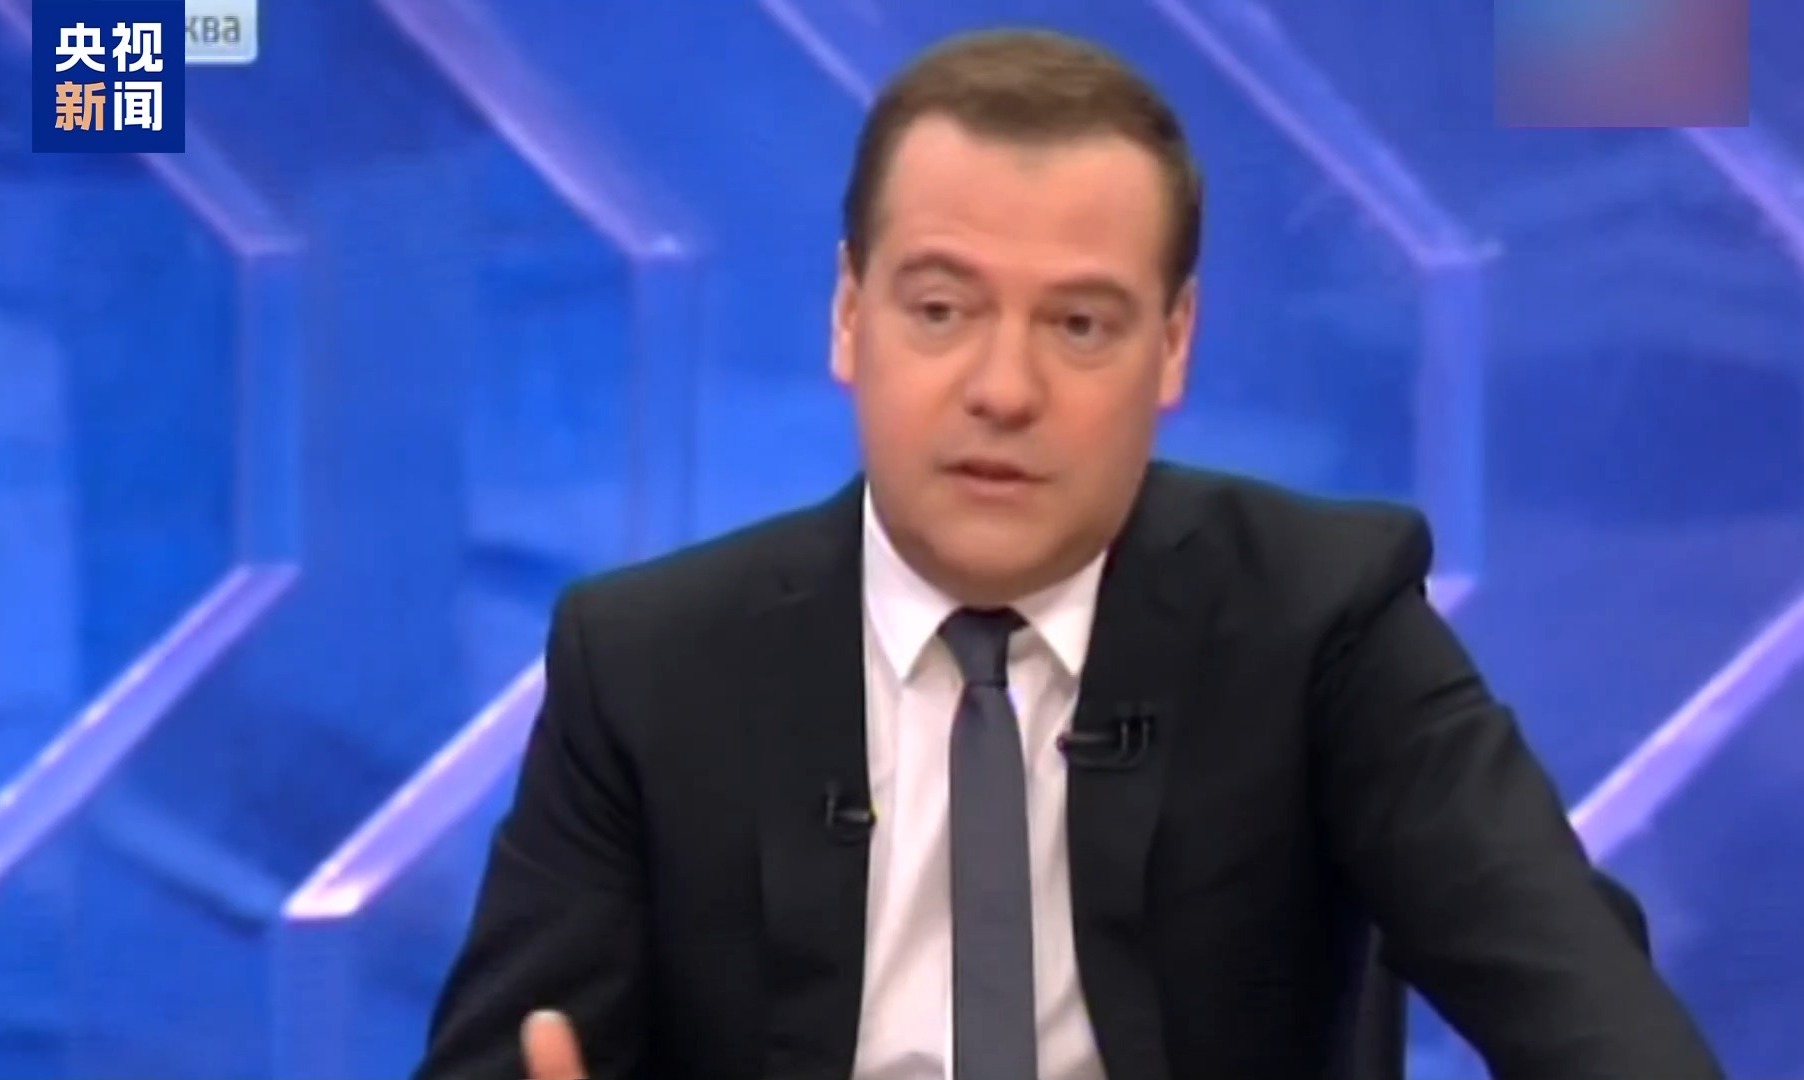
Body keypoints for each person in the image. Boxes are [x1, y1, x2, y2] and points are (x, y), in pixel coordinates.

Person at [412, 27, 1724, 1080]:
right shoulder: (649, 665)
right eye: (941, 309)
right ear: (849, 316)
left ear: (1174, 346)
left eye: (1081, 325)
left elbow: (1586, 1011)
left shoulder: (1323, 624)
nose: (1004, 388)